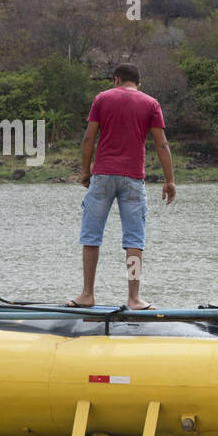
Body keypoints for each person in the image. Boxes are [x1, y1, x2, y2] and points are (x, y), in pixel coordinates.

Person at [69, 63, 176, 310]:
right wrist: (169, 180)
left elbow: (88, 138)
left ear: (116, 80)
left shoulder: (102, 99)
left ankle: (87, 294)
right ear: (138, 83)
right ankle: (134, 298)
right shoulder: (151, 103)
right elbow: (162, 145)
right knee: (134, 241)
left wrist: (85, 171)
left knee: (91, 236)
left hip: (103, 176)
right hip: (133, 180)